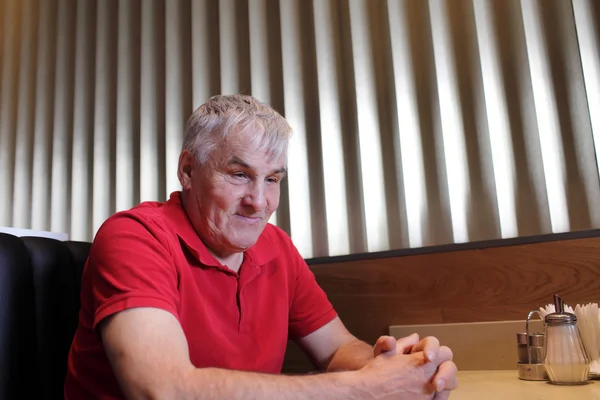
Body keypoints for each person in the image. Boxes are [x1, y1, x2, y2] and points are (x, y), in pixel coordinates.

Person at [64, 94, 458, 399]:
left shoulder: (276, 247)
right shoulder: (135, 237)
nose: (260, 201)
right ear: (187, 170)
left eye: (272, 180)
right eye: (239, 175)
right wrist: (363, 390)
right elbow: (163, 390)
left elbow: (338, 350)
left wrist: (402, 368)